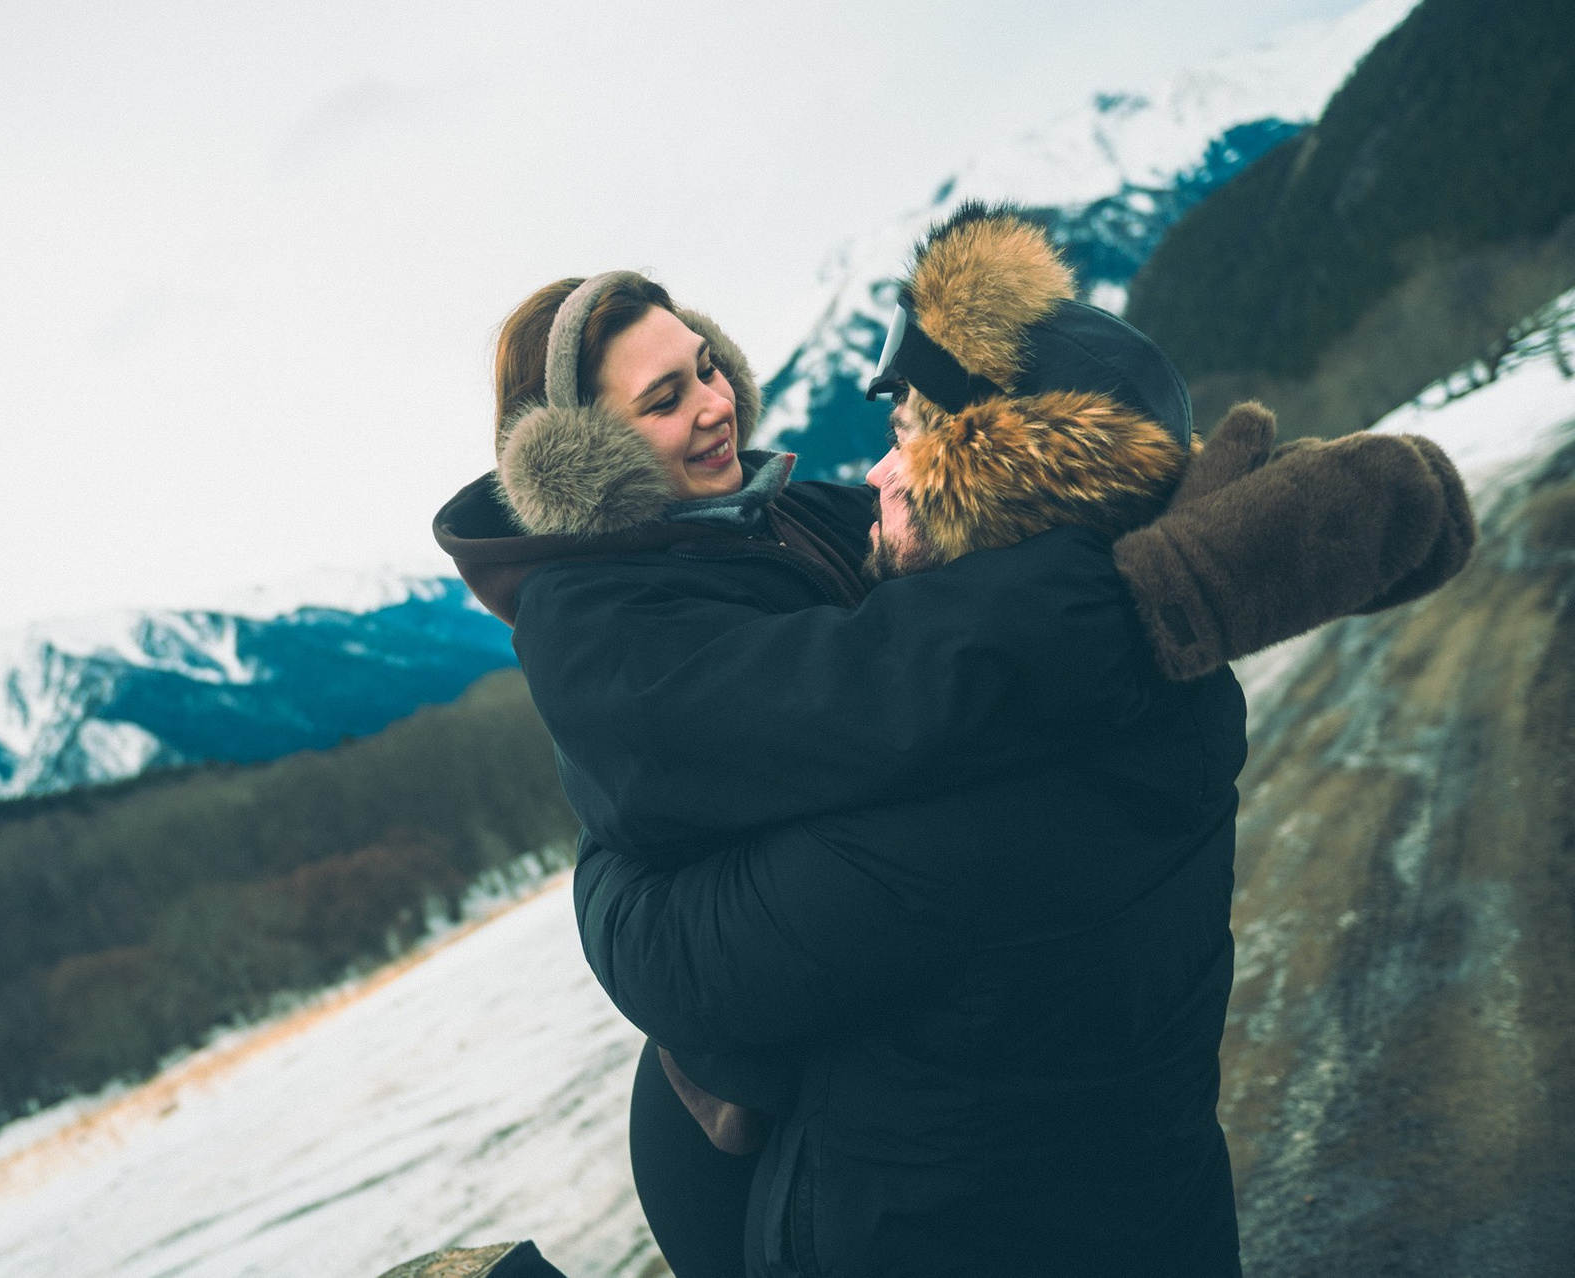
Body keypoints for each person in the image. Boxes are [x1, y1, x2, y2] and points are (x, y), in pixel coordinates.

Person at [430, 205, 1473, 1277]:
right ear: (587, 460)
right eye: (665, 398)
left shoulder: (775, 518)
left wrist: (1179, 498)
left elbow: (1023, 514)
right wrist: (1176, 576)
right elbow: (874, 675)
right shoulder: (598, 628)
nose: (714, 403)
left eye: (706, 367)